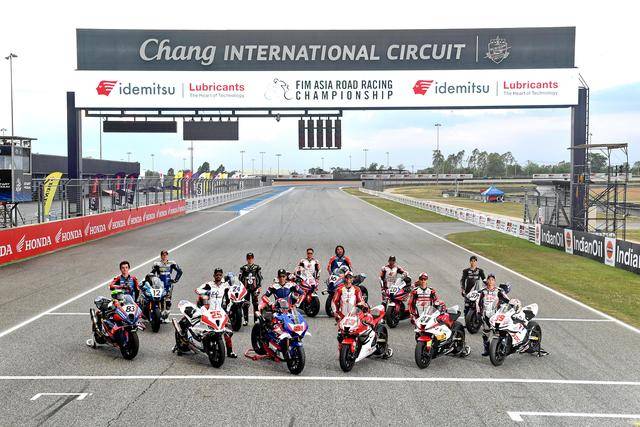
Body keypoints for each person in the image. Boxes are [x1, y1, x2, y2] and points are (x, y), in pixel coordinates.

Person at [193, 268, 237, 358]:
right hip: (209, 310)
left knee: (228, 330)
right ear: (214, 276)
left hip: (220, 310)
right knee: (207, 329)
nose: (218, 276)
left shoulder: (225, 285)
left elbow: (234, 290)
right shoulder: (208, 284)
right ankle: (203, 344)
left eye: (220, 275)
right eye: (216, 275)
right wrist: (207, 292)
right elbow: (197, 290)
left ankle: (230, 351)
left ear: (222, 276)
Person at [477, 273, 510, 356]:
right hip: (485, 315)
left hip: (496, 315)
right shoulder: (482, 291)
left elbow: (507, 300)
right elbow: (477, 302)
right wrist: (478, 313)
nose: (491, 281)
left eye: (492, 280)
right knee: (485, 333)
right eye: (489, 279)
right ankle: (487, 350)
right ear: (487, 281)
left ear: (494, 281)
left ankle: (500, 349)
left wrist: (509, 306)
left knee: (498, 333)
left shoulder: (499, 290)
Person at [239, 252, 263, 326]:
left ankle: (256, 319)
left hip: (254, 288)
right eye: (249, 258)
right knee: (245, 304)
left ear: (253, 259)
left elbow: (260, 277)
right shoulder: (243, 268)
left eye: (251, 258)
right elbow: (240, 278)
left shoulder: (257, 267)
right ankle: (246, 320)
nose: (250, 260)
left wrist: (259, 286)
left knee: (255, 303)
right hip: (246, 289)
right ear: (247, 259)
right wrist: (241, 287)